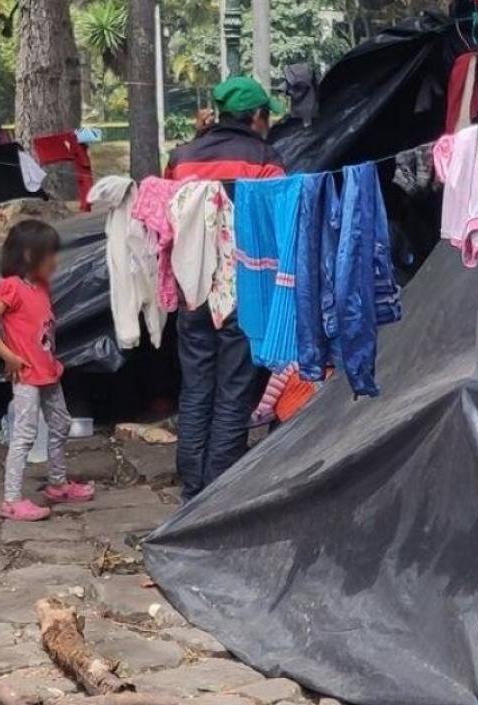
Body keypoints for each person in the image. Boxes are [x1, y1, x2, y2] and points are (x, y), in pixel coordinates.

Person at [164, 76, 287, 502]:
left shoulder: (181, 159)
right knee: (235, 386)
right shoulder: (265, 159)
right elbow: (275, 226)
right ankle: (219, 489)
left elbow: (168, 217)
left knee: (196, 384)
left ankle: (192, 485)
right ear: (256, 116)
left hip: (192, 285)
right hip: (243, 288)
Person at [0, 220, 95, 521]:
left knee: (61, 423)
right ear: (30, 255)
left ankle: (58, 482)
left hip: (48, 372)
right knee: (24, 435)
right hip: (28, 377)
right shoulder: (11, 288)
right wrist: (9, 356)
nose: (55, 260)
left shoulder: (41, 287)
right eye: (50, 254)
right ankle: (12, 499)